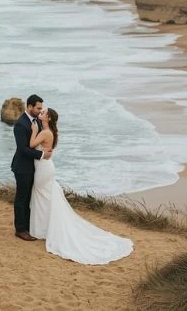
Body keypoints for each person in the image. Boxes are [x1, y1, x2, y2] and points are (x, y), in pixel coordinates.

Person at [28, 107, 133, 265]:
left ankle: (43, 230)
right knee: (44, 198)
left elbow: (31, 144)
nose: (40, 114)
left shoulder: (44, 132)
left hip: (44, 168)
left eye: (43, 113)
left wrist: (34, 130)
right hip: (46, 166)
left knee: (41, 196)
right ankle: (43, 229)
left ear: (48, 118)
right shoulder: (51, 132)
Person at [11, 94, 52, 241]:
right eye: (38, 108)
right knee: (21, 198)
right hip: (22, 167)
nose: (40, 111)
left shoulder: (38, 122)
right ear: (29, 107)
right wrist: (41, 154)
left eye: (41, 108)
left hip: (35, 167)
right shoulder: (20, 124)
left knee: (29, 198)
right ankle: (20, 230)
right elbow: (22, 149)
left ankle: (28, 226)